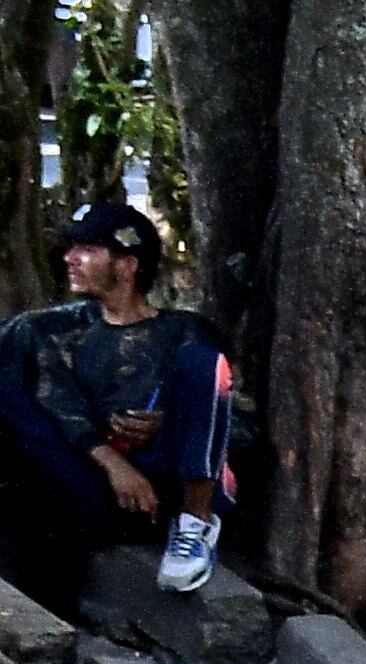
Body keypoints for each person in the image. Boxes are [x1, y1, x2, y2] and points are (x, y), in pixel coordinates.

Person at [0, 198, 233, 614]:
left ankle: (194, 529)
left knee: (202, 365)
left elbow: (240, 423)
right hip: (90, 480)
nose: (69, 259)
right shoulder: (54, 329)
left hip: (162, 489)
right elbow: (56, 407)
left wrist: (167, 423)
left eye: (86, 250)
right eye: (71, 248)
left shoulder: (185, 331)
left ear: (127, 265)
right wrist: (112, 462)